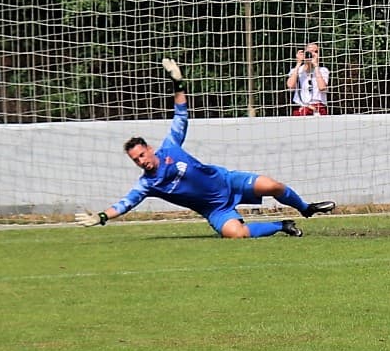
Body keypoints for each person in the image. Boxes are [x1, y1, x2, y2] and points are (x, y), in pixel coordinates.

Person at [77, 58, 336, 238]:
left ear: (150, 149)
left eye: (142, 154)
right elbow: (125, 204)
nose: (141, 161)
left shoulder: (170, 147)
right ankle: (282, 225)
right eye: (136, 160)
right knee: (237, 234)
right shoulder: (148, 184)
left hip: (227, 181)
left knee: (274, 186)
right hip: (215, 209)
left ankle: (305, 208)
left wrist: (178, 84)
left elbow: (181, 114)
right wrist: (102, 217)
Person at [285, 41, 330, 115]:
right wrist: (299, 63)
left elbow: (322, 87)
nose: (311, 54)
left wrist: (315, 65)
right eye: (309, 52)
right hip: (300, 107)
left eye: (315, 52)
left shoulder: (322, 70)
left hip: (318, 108)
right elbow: (290, 86)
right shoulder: (296, 70)